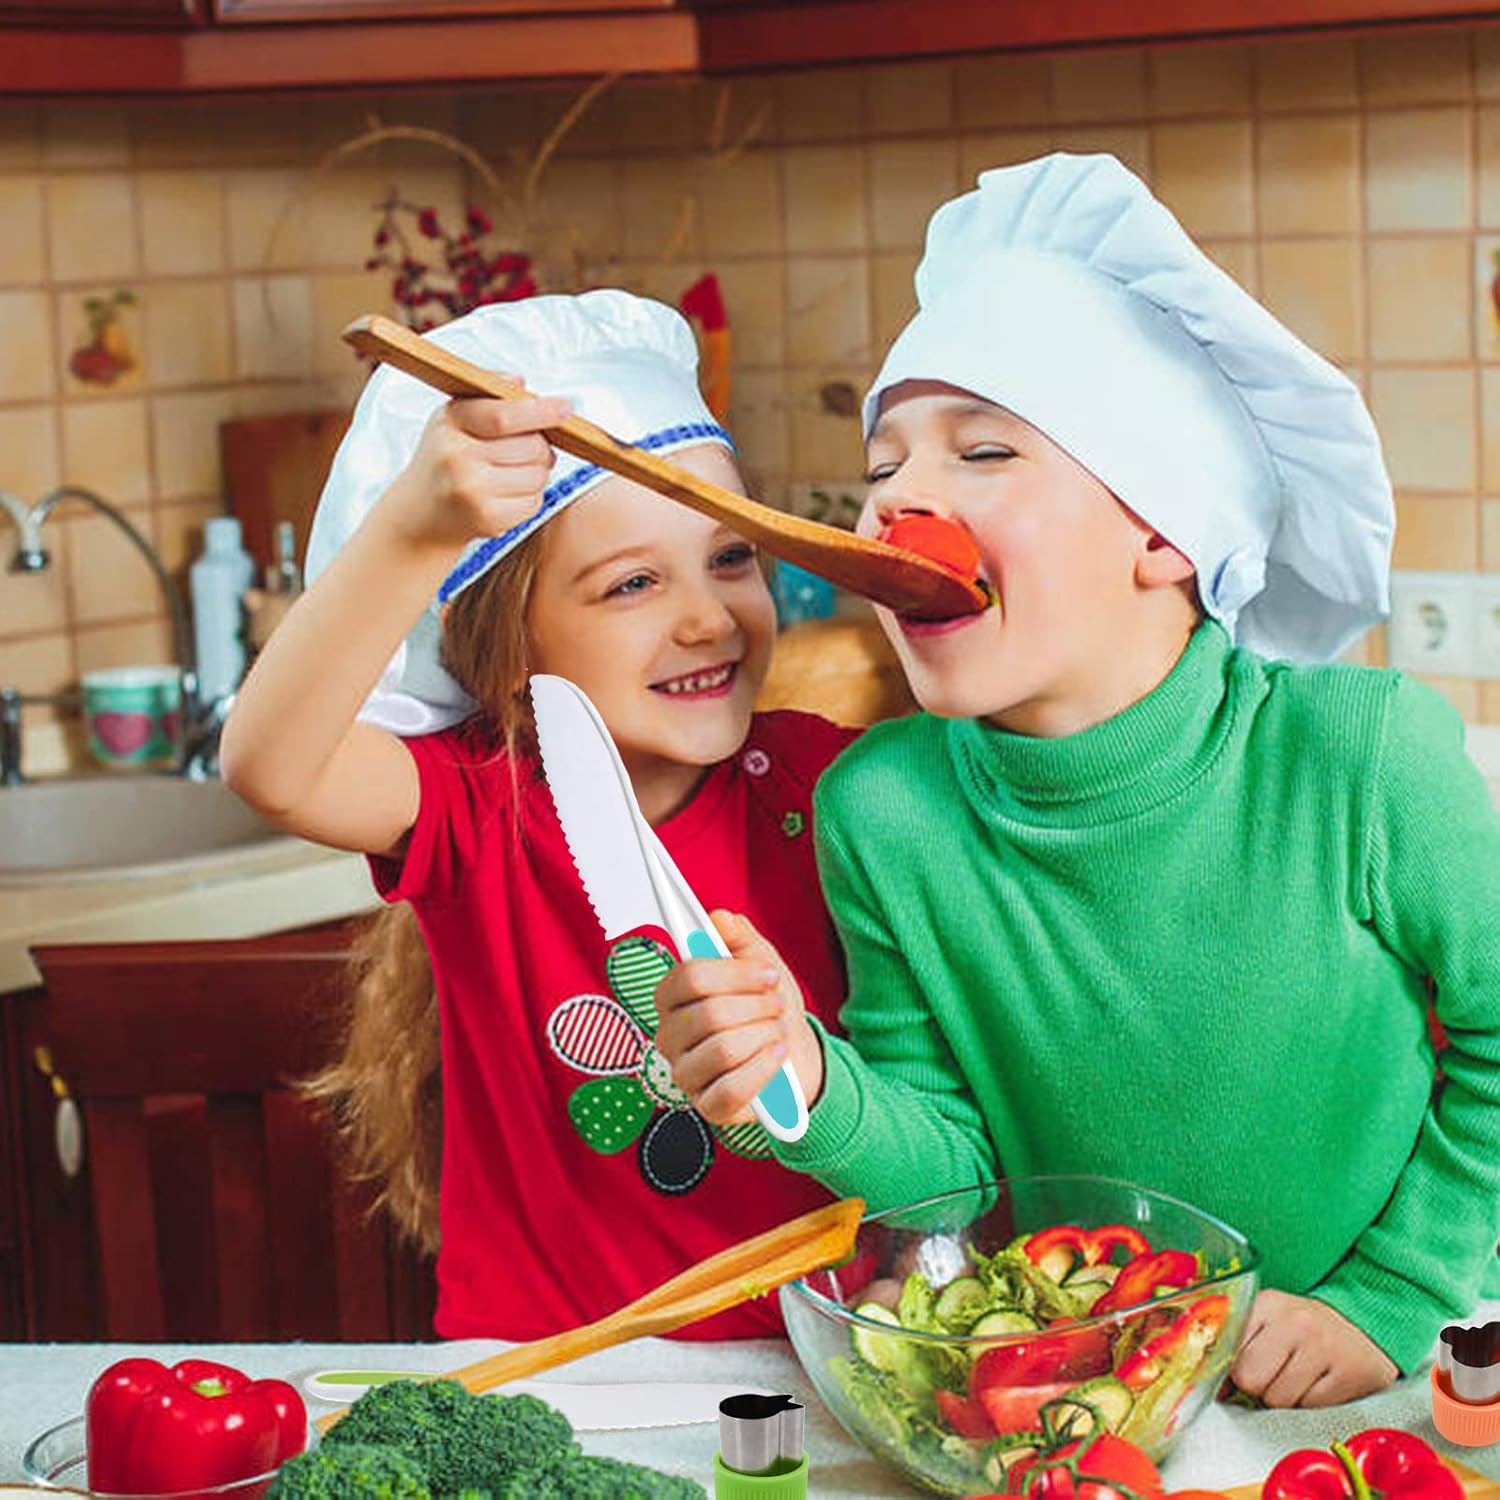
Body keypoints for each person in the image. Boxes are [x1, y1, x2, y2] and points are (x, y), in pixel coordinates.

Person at [652, 154, 1500, 1406]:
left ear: (1165, 530)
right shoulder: (883, 810)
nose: (900, 506)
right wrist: (812, 1082)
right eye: (881, 469)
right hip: (1084, 1399)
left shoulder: (1361, 756)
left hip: (1379, 1383)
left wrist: (1388, 1298)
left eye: (983, 451)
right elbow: (955, 1172)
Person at [221, 290, 856, 1342]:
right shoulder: (482, 806)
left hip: (822, 1374)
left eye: (731, 556)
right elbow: (272, 767)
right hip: (553, 1384)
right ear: (511, 649)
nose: (707, 616)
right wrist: (413, 535)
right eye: (631, 584)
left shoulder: (832, 789)